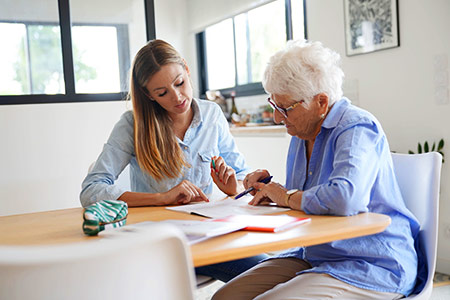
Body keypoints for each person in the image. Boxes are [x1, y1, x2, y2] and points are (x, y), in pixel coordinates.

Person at [213, 39, 420, 299]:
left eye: (284, 108)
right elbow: (307, 197)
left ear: (321, 102)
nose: (277, 117)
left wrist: (286, 196)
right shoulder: (301, 132)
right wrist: (270, 190)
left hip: (371, 261)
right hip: (315, 253)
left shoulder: (357, 127)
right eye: (274, 105)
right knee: (225, 297)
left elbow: (344, 198)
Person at [80, 39, 267, 282]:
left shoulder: (211, 114)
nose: (177, 97)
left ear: (187, 70)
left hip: (207, 238)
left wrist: (234, 186)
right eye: (162, 93)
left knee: (269, 271)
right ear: (149, 95)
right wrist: (161, 198)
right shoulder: (132, 126)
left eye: (180, 83)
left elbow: (243, 175)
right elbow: (91, 190)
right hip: (156, 244)